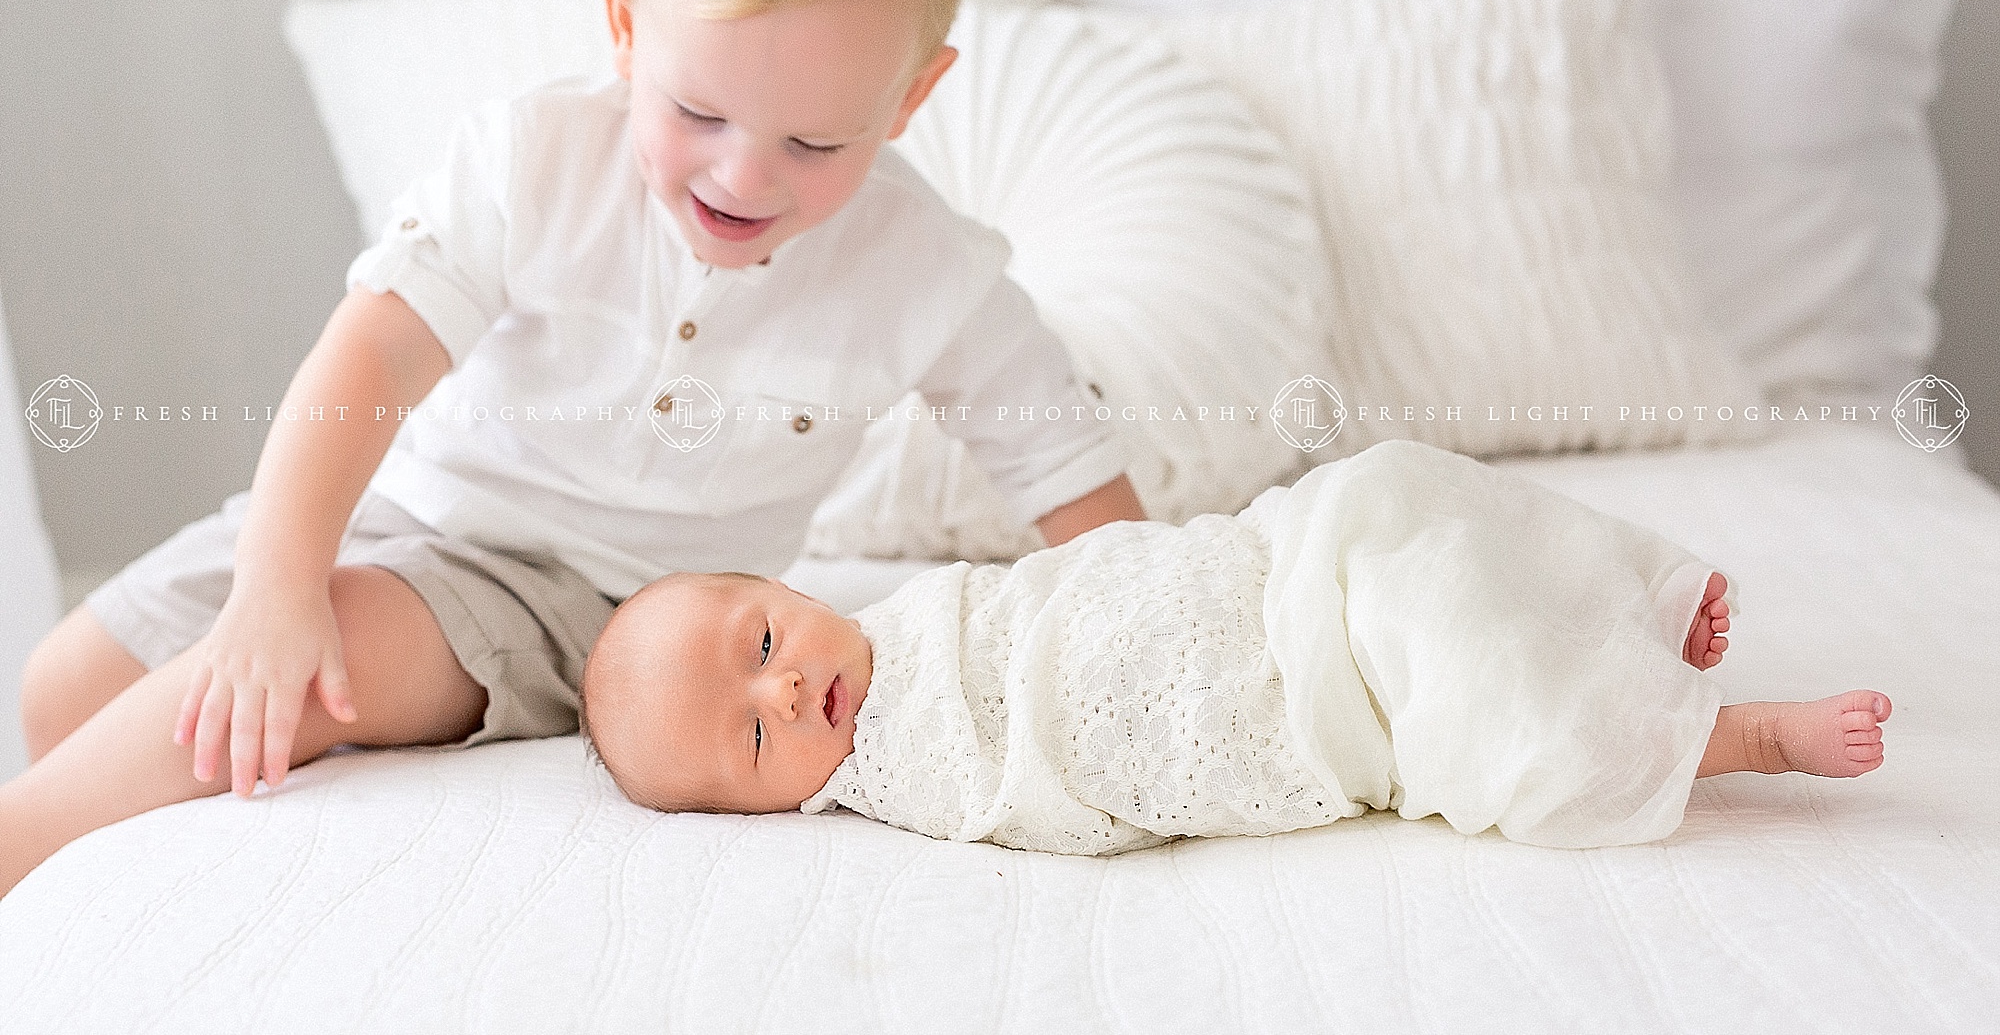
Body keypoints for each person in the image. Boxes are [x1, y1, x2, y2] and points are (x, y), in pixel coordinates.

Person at [0, 0, 1143, 899]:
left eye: (817, 143)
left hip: (597, 606)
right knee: (63, 687)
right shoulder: (534, 158)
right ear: (624, 26)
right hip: (402, 500)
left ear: (907, 98)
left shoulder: (922, 268)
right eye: (698, 110)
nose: (744, 173)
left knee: (321, 650)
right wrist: (274, 576)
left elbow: (1073, 476)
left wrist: (1129, 640)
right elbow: (374, 354)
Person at [581, 440, 1891, 854]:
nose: (789, 684)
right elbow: (1056, 789)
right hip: (1296, 699)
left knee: (1405, 491)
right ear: (770, 799)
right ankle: (1741, 733)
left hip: (1262, 564)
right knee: (1473, 686)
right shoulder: (905, 778)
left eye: (761, 636)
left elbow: (1061, 583)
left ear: (783, 588)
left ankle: (1624, 596)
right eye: (756, 733)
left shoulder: (911, 607)